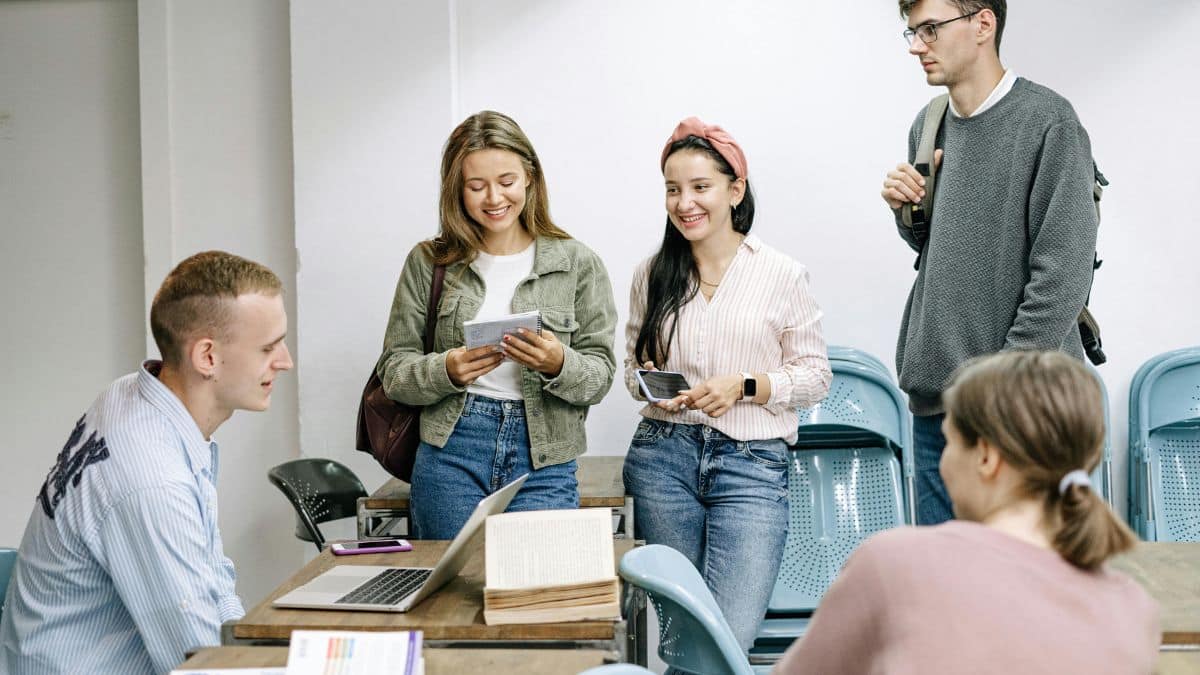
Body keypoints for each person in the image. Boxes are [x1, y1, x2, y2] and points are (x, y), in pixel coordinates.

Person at [773, 350, 1160, 674]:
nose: (943, 463)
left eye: (949, 443)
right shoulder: (1132, 608)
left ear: (987, 456)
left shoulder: (896, 562)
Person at [0, 251, 294, 674]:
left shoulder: (133, 395)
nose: (285, 360)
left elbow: (212, 580)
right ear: (207, 357)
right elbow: (202, 664)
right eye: (268, 347)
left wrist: (247, 643)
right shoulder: (152, 481)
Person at [880, 0, 1102, 525]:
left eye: (930, 29)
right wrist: (905, 211)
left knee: (1031, 592)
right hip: (939, 408)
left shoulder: (1049, 121)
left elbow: (1063, 274)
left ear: (984, 24)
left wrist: (996, 392)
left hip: (1023, 409)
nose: (916, 46)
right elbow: (942, 250)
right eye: (911, 32)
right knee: (947, 593)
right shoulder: (929, 124)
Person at [622, 117, 832, 652]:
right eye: (673, 189)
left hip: (753, 465)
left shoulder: (782, 274)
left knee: (726, 639)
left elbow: (815, 376)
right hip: (662, 460)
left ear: (734, 190)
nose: (684, 203)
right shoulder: (653, 274)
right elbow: (630, 370)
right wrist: (648, 382)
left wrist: (745, 385)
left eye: (700, 187)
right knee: (679, 637)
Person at [377, 110, 617, 539]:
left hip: (545, 456)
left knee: (534, 596)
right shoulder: (428, 263)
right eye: (476, 186)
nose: (493, 198)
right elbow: (394, 373)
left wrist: (559, 362)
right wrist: (446, 369)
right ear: (457, 190)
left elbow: (600, 377)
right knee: (448, 598)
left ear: (530, 177)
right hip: (451, 451)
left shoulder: (577, 263)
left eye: (506, 181)